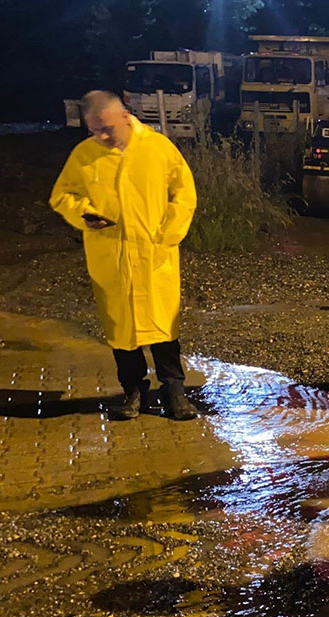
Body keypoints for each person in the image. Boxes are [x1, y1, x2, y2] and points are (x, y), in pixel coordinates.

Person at [49, 90, 198, 421]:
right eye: (94, 130)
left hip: (153, 254)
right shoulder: (84, 155)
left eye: (106, 128)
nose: (101, 136)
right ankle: (133, 392)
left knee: (163, 328)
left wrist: (169, 233)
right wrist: (84, 213)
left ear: (125, 116)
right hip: (111, 256)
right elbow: (62, 195)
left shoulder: (158, 148)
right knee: (122, 330)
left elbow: (184, 192)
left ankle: (174, 392)